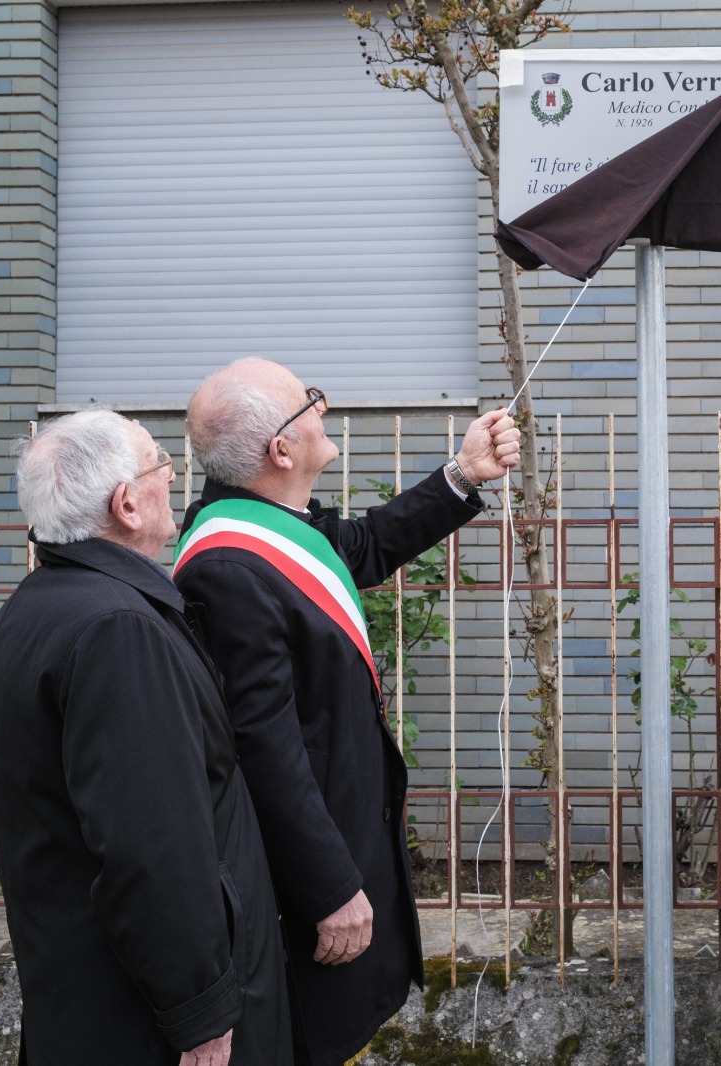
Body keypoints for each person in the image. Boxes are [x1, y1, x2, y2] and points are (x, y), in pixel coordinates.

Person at [174, 358, 520, 1065]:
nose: (324, 411)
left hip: (345, 833)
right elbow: (264, 747)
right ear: (281, 448)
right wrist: (330, 888)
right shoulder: (227, 565)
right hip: (310, 879)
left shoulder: (272, 518)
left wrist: (462, 474)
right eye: (311, 403)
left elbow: (356, 548)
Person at [0, 409, 289, 1066]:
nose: (171, 479)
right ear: (126, 504)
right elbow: (151, 844)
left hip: (83, 999)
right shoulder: (118, 630)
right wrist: (199, 1012)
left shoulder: (35, 609)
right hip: (146, 1025)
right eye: (160, 467)